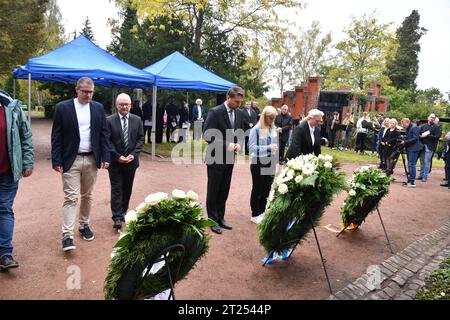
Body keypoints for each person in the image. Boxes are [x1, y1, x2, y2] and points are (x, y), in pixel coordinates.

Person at [51, 77, 110, 252]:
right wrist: (57, 160)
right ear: (77, 90)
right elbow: (56, 136)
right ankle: (67, 235)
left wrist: (105, 156)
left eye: (91, 91)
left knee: (88, 195)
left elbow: (104, 135)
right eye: (84, 91)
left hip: (92, 159)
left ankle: (84, 225)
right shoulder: (63, 108)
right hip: (71, 159)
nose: (88, 94)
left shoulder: (98, 108)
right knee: (70, 197)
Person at [203, 86, 245, 235]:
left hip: (229, 158)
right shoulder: (215, 112)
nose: (239, 104)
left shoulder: (239, 113)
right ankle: (212, 220)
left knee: (224, 189)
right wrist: (227, 145)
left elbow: (239, 132)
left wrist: (239, 143)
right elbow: (207, 135)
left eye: (240, 102)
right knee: (213, 189)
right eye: (237, 101)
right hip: (215, 157)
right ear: (228, 98)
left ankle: (221, 217)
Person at [0, 97, 34, 270]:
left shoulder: (11, 108)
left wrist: (27, 162)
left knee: (4, 208)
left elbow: (25, 135)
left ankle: (5, 254)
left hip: (7, 171)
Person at [106, 93, 144, 230]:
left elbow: (140, 139)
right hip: (115, 162)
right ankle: (116, 217)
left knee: (127, 188)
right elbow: (107, 141)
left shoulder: (137, 120)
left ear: (130, 105)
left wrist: (133, 155)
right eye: (121, 104)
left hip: (131, 162)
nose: (124, 107)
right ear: (117, 106)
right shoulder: (109, 120)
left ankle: (123, 212)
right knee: (117, 188)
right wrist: (117, 156)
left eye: (126, 104)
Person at [249, 106, 278, 224]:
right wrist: (268, 147)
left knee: (267, 189)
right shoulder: (255, 129)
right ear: (264, 116)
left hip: (270, 161)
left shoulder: (273, 129)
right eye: (270, 118)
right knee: (258, 189)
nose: (272, 120)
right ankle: (254, 214)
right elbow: (251, 148)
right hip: (258, 162)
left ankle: (261, 212)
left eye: (273, 118)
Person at [399, 118, 422, 188]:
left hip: (414, 149)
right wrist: (404, 139)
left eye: (403, 124)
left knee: (411, 165)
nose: (402, 126)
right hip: (410, 148)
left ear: (407, 122)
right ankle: (409, 181)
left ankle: (411, 182)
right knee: (410, 165)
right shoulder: (409, 128)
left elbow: (415, 138)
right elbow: (409, 137)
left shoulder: (414, 128)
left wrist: (405, 142)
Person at [418, 113, 441, 182]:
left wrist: (427, 136)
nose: (432, 118)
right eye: (431, 117)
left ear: (434, 119)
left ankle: (425, 177)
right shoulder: (423, 126)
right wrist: (421, 136)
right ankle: (421, 175)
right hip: (422, 145)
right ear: (428, 117)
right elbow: (419, 134)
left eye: (433, 118)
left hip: (430, 146)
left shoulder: (436, 127)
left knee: (427, 161)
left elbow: (437, 137)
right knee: (422, 161)